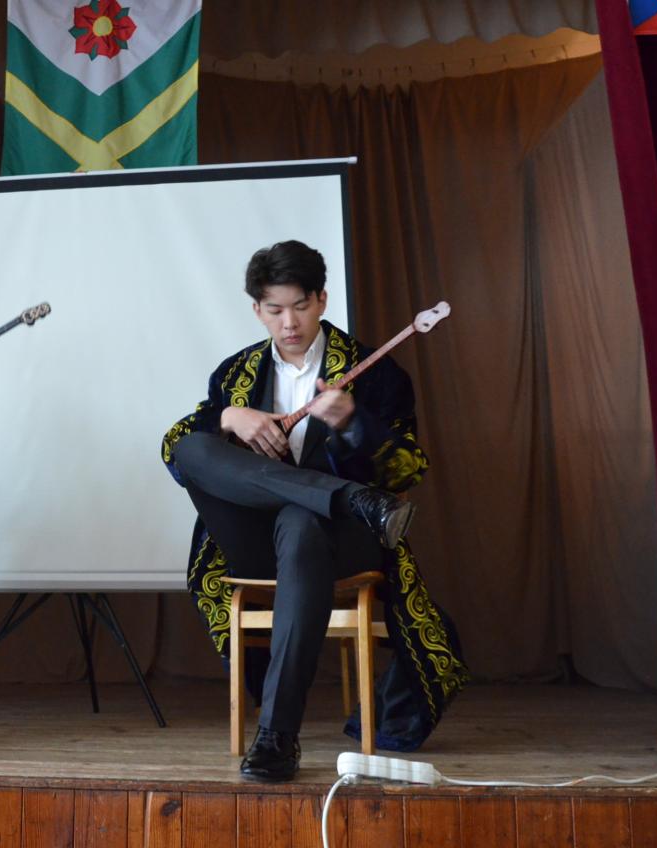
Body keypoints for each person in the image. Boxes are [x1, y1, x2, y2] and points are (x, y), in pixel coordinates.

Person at [161, 240, 468, 782]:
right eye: (275, 310)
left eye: (301, 306)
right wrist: (231, 418)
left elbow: (407, 470)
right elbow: (182, 454)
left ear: (322, 300)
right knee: (189, 446)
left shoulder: (377, 374)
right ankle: (346, 496)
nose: (289, 323)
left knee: (301, 521)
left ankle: (277, 738)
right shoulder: (233, 375)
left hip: (337, 541)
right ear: (257, 309)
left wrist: (354, 423)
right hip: (255, 541)